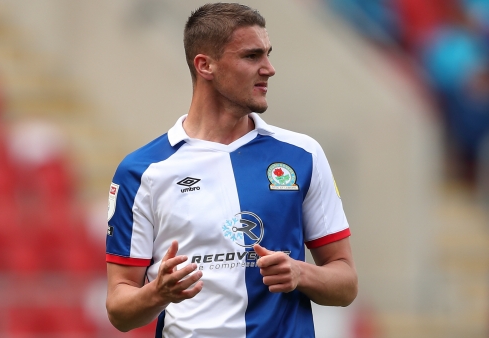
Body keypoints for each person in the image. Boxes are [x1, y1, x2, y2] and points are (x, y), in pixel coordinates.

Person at [105, 3, 358, 337]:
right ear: (205, 65)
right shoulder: (142, 171)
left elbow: (346, 283)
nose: (269, 68)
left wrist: (301, 274)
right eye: (252, 56)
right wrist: (158, 293)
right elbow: (120, 310)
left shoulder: (302, 155)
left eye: (268, 54)